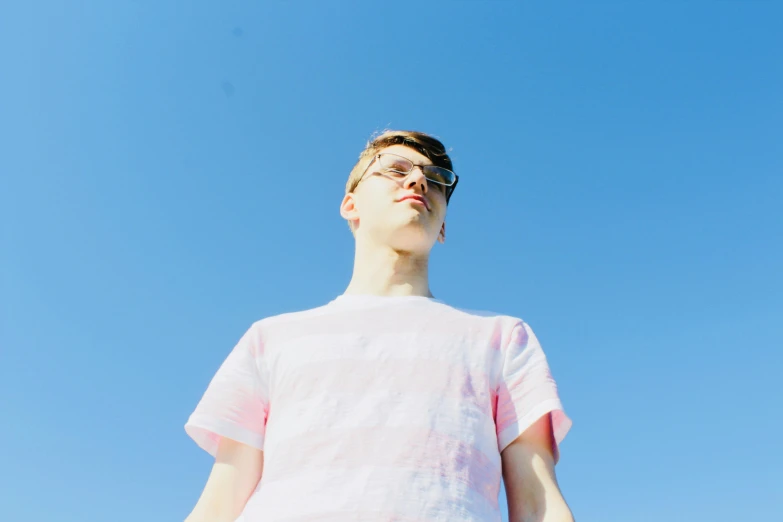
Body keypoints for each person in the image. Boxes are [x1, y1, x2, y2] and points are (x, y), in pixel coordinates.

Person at [183, 130, 574, 522]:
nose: (419, 181)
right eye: (395, 169)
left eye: (435, 180)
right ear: (350, 205)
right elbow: (219, 504)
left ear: (441, 228)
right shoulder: (268, 339)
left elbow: (539, 503)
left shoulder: (503, 338)